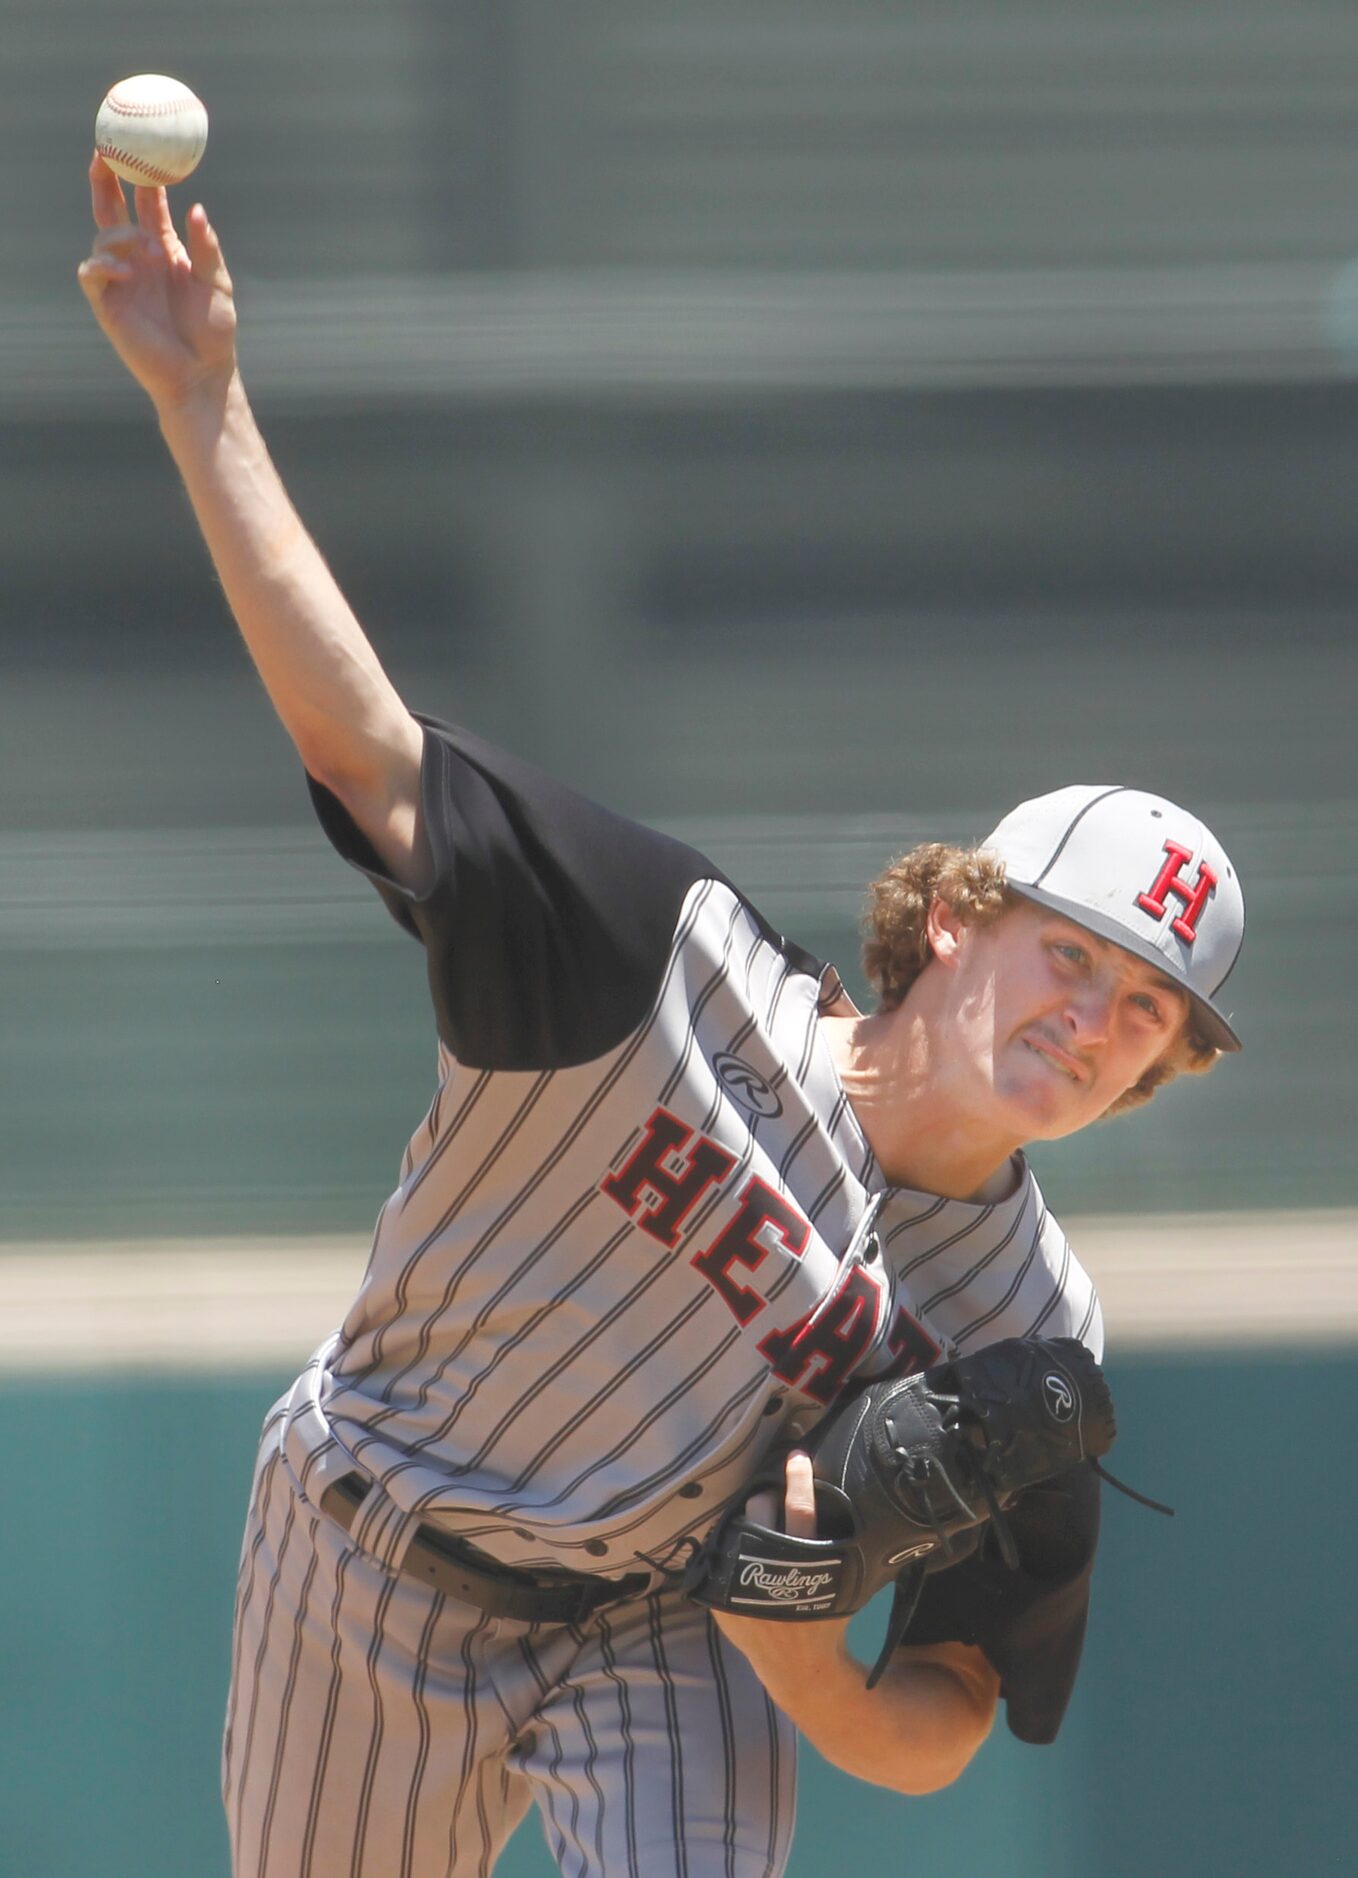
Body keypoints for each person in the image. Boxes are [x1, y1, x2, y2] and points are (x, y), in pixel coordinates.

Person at [78, 162, 1244, 1878]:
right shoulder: (659, 965)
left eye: (1144, 1012)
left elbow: (950, 1700)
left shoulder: (1027, 1323)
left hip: (659, 1626)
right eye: (1070, 955)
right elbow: (369, 752)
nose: (1097, 1018)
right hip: (367, 1552)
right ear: (949, 915)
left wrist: (809, 1676)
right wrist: (204, 400)